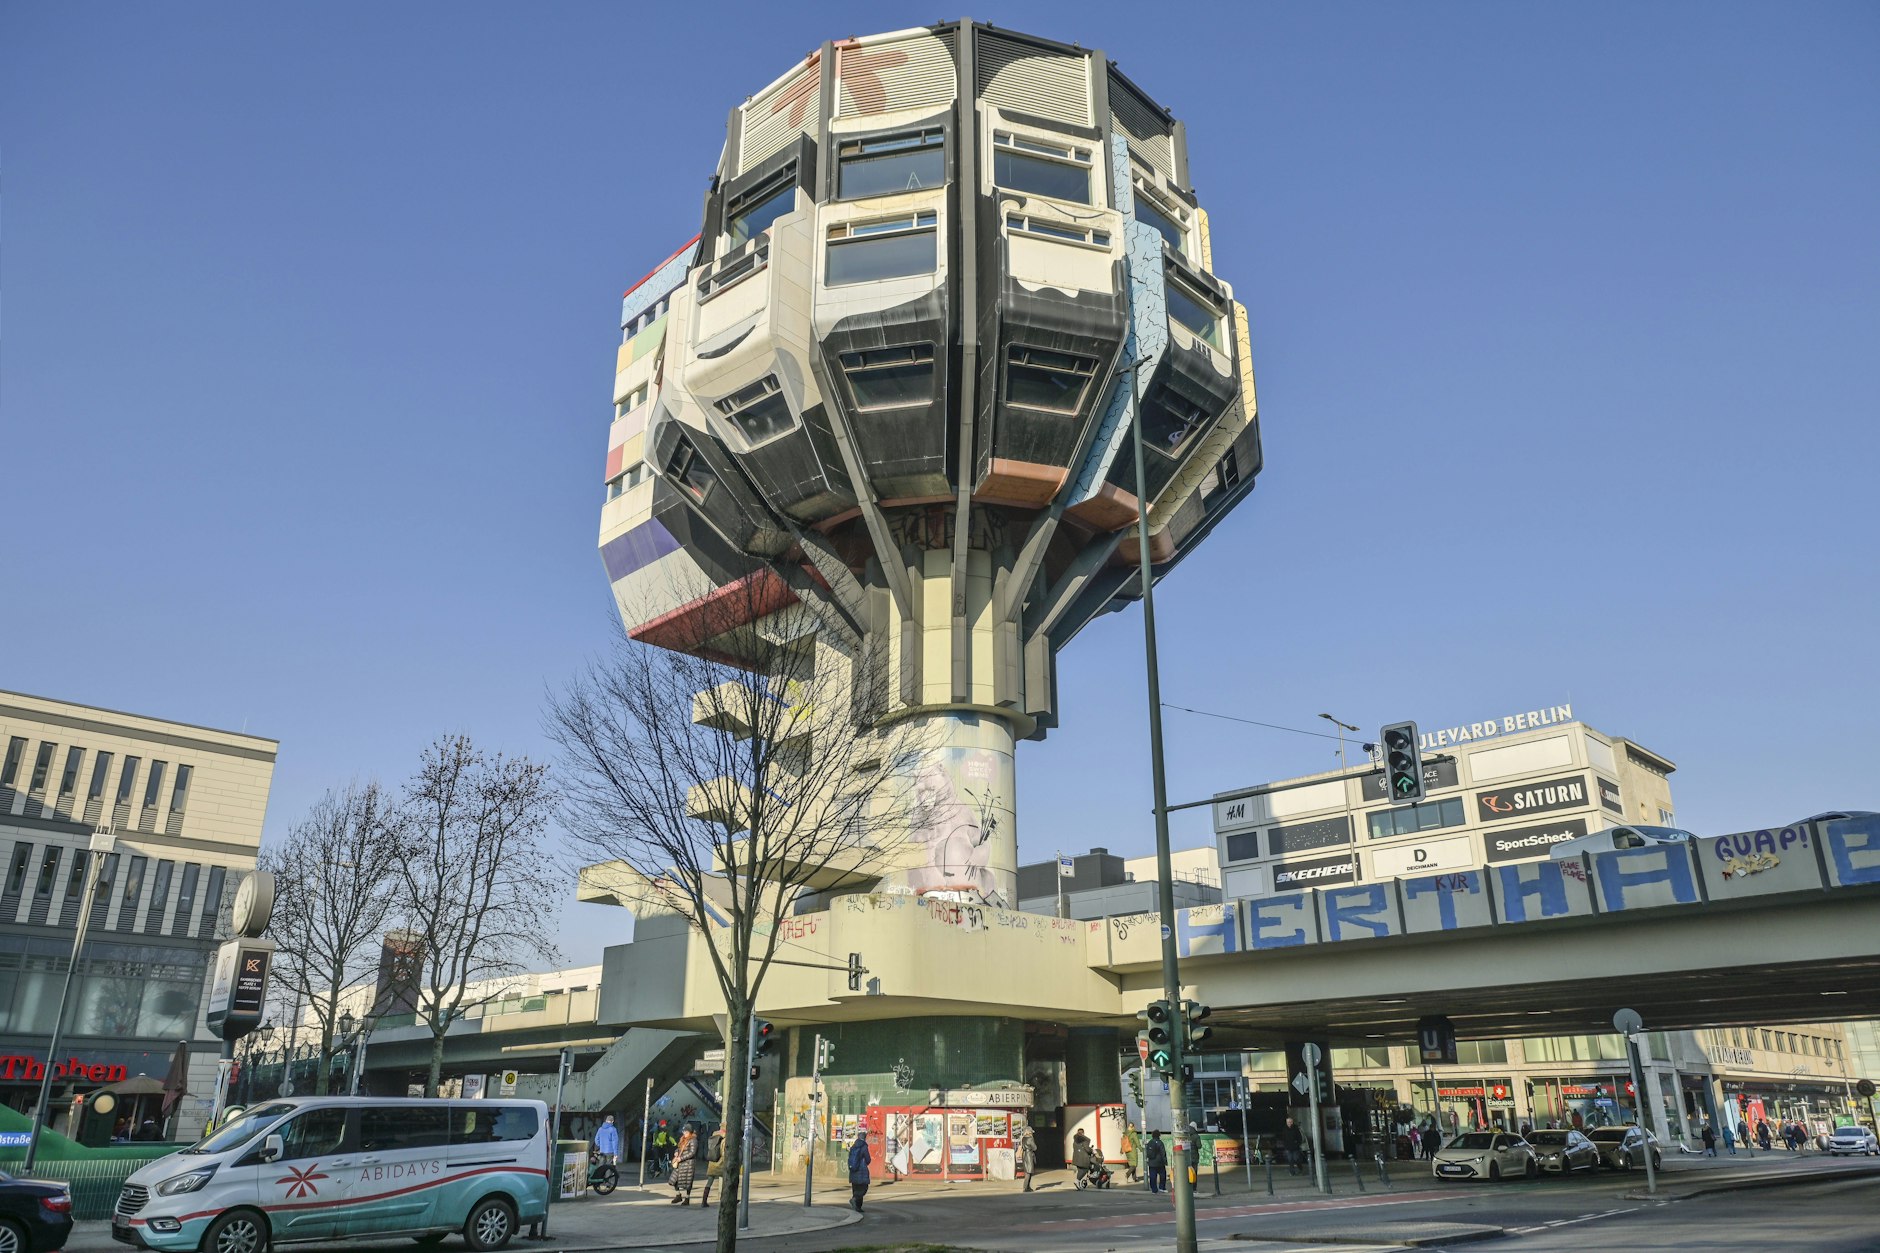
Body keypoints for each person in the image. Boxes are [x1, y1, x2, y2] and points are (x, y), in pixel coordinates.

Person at [668, 1126, 700, 1204]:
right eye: (684, 1132)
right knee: (673, 1180)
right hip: (680, 1163)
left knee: (687, 1182)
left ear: (690, 1132)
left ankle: (687, 1198)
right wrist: (676, 1152)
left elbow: (692, 1153)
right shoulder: (683, 1139)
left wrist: (681, 1158)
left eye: (686, 1132)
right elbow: (679, 1148)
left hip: (688, 1164)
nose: (684, 1133)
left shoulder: (693, 1140)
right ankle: (678, 1195)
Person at [848, 1129, 872, 1213]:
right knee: (864, 1188)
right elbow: (868, 1160)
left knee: (856, 1189)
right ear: (864, 1138)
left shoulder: (853, 1146)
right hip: (862, 1171)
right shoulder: (864, 1146)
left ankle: (857, 1207)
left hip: (853, 1171)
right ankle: (854, 1200)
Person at [700, 1127, 726, 1204]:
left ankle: (704, 1201)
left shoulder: (713, 1137)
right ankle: (724, 1199)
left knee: (709, 1182)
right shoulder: (724, 1139)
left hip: (712, 1163)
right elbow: (724, 1153)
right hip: (721, 1163)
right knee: (727, 1181)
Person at [1144, 1129, 1168, 1194]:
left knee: (1152, 1176)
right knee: (1162, 1175)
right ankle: (1162, 1187)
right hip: (1160, 1163)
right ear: (1159, 1135)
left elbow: (1147, 1152)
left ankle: (1154, 1190)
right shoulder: (1160, 1143)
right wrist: (1165, 1161)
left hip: (1151, 1162)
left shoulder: (1150, 1142)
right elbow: (1163, 1153)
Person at [1019, 1123, 1038, 1192]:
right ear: (1029, 1132)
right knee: (1029, 1172)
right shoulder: (1030, 1139)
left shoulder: (1023, 1138)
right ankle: (1025, 1187)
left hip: (1024, 1155)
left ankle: (1027, 1187)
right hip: (1029, 1155)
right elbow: (1035, 1147)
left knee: (1028, 1171)